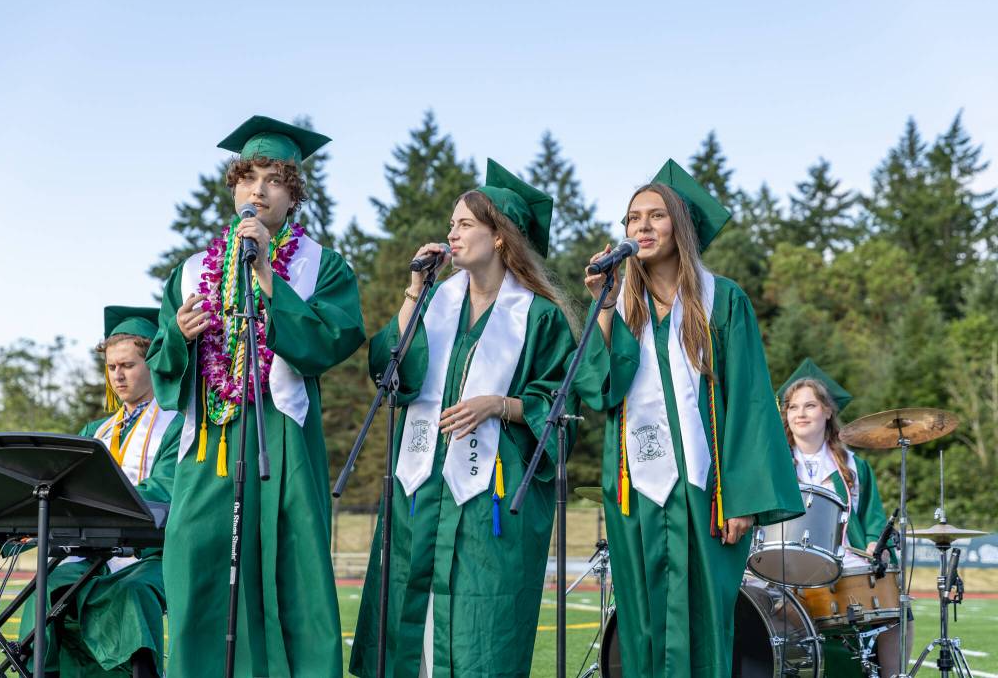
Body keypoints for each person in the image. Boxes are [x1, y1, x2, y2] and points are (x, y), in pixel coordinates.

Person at [147, 116, 366, 677]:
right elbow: (162, 362)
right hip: (209, 441)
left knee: (288, 567)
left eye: (273, 180)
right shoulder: (194, 269)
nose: (258, 190)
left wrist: (270, 275)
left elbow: (332, 338)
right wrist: (179, 334)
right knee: (197, 560)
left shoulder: (323, 265)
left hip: (281, 436)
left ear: (294, 194)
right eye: (248, 178)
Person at [573, 159, 804, 677]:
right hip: (635, 489)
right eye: (633, 219)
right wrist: (603, 308)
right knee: (641, 623)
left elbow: (748, 401)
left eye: (656, 216)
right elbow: (598, 389)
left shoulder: (723, 301)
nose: (642, 228)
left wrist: (742, 497)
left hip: (707, 493)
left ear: (681, 226)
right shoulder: (624, 306)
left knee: (703, 621)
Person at [349, 159, 578, 678]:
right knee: (409, 622)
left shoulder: (538, 315)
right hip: (419, 492)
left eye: (465, 224)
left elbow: (564, 405)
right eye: (451, 224)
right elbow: (390, 373)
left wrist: (498, 404)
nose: (451, 234)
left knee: (481, 633)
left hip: (491, 501)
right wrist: (413, 289)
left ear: (500, 237)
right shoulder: (434, 302)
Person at [18, 306, 182, 678]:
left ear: (154, 363)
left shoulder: (179, 426)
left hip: (152, 554)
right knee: (48, 584)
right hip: (93, 553)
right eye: (111, 367)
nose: (118, 375)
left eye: (128, 365)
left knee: (130, 592)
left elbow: (165, 488)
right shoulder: (95, 430)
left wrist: (102, 504)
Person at [778, 357, 913, 678]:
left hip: (843, 560)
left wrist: (874, 546)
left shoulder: (853, 467)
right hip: (782, 562)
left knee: (898, 611)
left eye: (810, 406)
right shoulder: (775, 462)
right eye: (793, 407)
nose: (800, 413)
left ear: (827, 411)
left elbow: (873, 519)